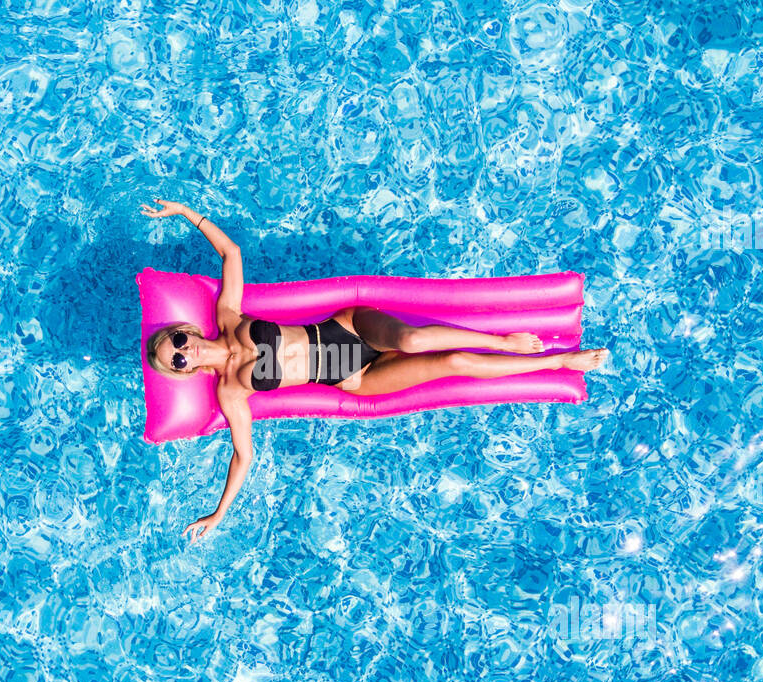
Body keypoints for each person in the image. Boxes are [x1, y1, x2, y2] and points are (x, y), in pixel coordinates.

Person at [141, 199, 609, 541]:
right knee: (452, 365)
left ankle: (502, 341)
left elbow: (233, 256)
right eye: (177, 361)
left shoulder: (228, 318)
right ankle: (556, 360)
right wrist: (218, 514)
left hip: (348, 329)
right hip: (355, 379)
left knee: (413, 339)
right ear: (185, 372)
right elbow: (242, 457)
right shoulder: (229, 393)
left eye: (178, 341)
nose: (186, 352)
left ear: (187, 331)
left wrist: (186, 214)